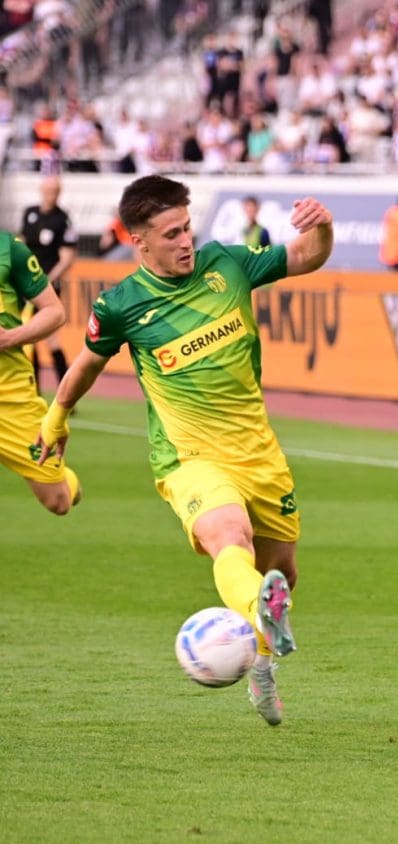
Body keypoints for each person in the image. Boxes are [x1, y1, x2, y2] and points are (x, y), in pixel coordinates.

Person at [36, 175, 334, 727]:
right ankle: (259, 611)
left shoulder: (227, 264)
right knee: (229, 536)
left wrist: (324, 227)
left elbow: (305, 256)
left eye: (187, 228)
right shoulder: (122, 305)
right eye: (171, 234)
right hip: (189, 458)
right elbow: (87, 364)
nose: (185, 241)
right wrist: (56, 417)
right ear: (139, 241)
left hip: (259, 454)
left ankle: (261, 662)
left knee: (283, 573)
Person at [0, 230, 82, 515]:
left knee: (58, 501)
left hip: (9, 393)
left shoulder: (9, 249)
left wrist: (9, 338)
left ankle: (66, 480)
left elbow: (54, 312)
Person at [21, 176, 78, 391]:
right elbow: (22, 246)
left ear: (59, 193)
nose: (50, 195)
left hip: (48, 289)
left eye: (55, 191)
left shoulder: (63, 220)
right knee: (28, 338)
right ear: (41, 190)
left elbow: (67, 258)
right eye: (47, 190)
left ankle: (67, 392)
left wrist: (45, 281)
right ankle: (33, 392)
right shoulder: (30, 213)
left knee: (51, 339)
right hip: (26, 287)